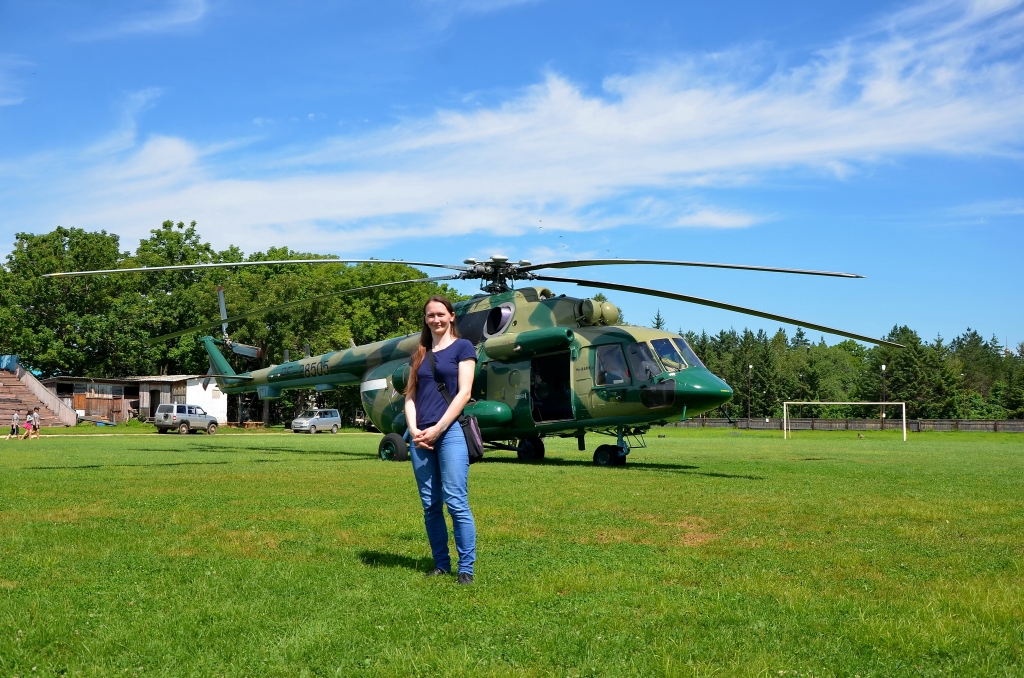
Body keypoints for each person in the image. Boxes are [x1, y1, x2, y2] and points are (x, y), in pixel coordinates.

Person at [403, 295, 478, 585]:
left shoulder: (463, 347)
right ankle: (441, 564)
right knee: (430, 504)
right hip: (419, 436)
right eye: (430, 315)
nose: (436, 319)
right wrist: (414, 429)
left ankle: (466, 568)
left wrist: (438, 428)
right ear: (425, 319)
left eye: (440, 314)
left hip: (450, 433)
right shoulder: (419, 353)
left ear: (451, 316)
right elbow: (410, 395)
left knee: (456, 501)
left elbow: (464, 393)